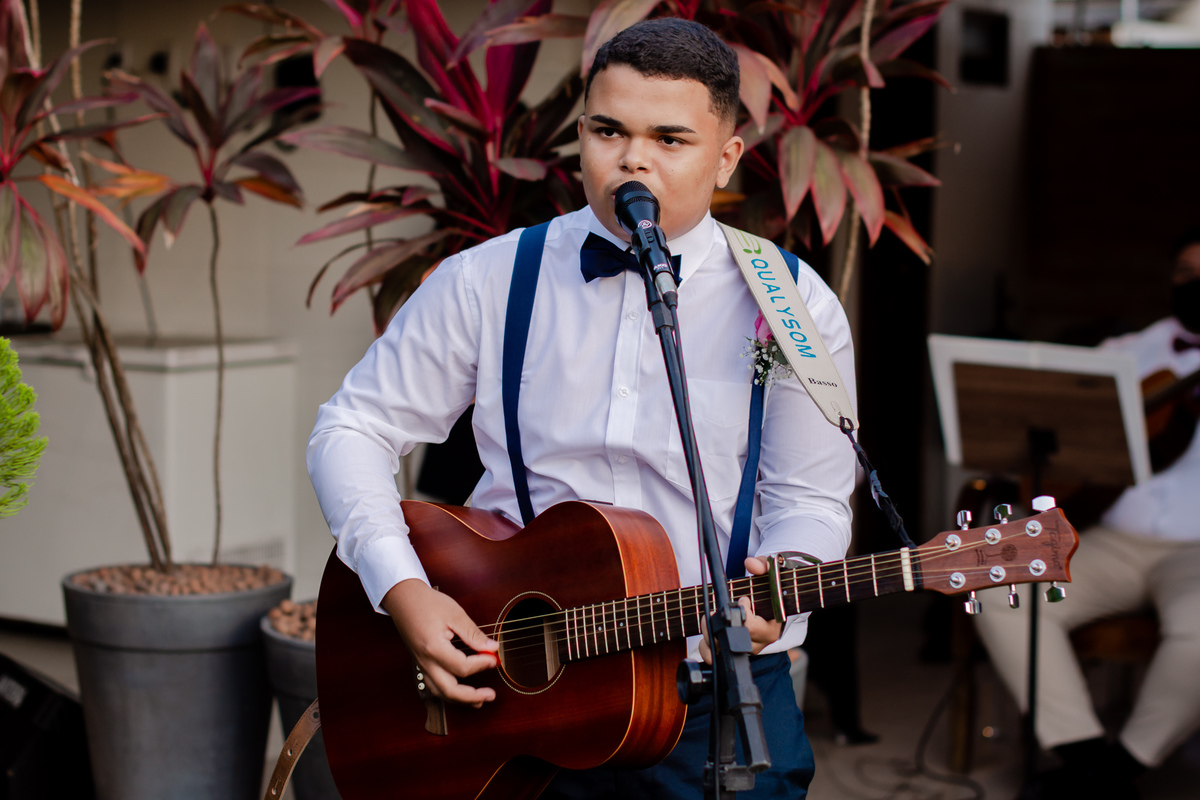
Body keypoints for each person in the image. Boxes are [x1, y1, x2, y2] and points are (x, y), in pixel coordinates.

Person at [306, 18, 856, 799]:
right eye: (608, 131)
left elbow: (811, 499)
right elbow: (353, 427)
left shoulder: (793, 304)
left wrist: (783, 580)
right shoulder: (488, 279)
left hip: (713, 699)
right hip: (511, 692)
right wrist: (404, 589)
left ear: (727, 156)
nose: (632, 159)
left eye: (670, 139)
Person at [972, 228, 1200, 799]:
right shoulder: (1123, 353)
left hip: (1196, 553)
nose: (1194, 283)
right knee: (1001, 590)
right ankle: (1083, 754)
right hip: (1111, 538)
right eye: (1185, 273)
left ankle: (1126, 765)